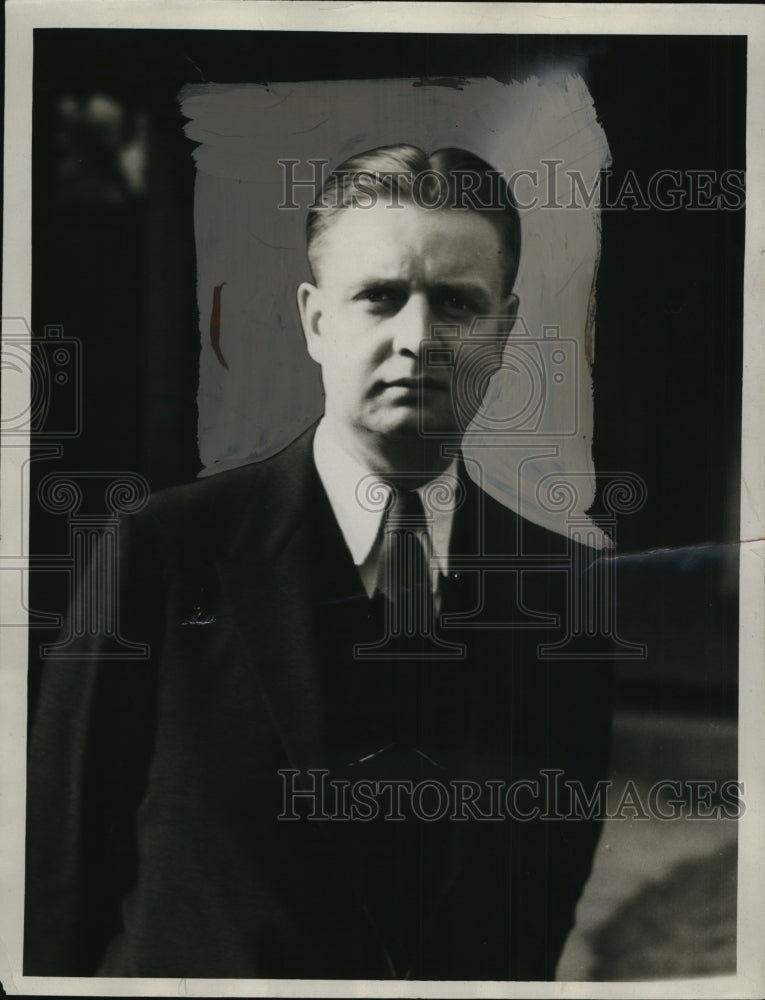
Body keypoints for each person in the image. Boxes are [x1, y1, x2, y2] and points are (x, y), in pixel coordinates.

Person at [24, 145, 613, 981]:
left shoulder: (564, 593)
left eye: (456, 303)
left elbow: (539, 900)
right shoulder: (161, 553)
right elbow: (55, 888)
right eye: (379, 297)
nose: (416, 338)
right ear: (314, 319)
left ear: (504, 330)